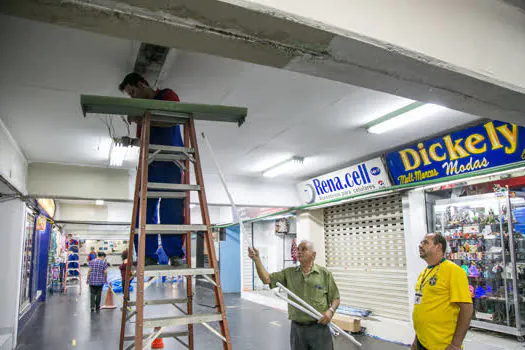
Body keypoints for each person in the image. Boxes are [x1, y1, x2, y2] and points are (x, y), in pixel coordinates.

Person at [119, 73, 185, 267]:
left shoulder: (167, 95)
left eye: (132, 93)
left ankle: (174, 254)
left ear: (141, 84)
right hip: (150, 164)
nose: (132, 98)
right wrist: (132, 141)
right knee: (144, 210)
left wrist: (142, 118)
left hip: (172, 161)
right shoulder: (142, 111)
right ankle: (147, 255)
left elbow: (172, 120)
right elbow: (144, 140)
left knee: (171, 210)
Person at [248, 241, 340, 350]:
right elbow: (266, 279)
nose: (299, 252)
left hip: (319, 329)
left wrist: (330, 311)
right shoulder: (289, 273)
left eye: (304, 249)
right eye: (298, 249)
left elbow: (335, 298)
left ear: (313, 255)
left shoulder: (324, 274)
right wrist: (257, 260)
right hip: (298, 330)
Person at [412, 233, 473, 350]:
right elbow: (422, 308)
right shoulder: (423, 273)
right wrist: (416, 339)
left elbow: (467, 308)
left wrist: (455, 344)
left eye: (425, 242)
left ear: (438, 247)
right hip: (422, 342)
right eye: (421, 242)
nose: (420, 245)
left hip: (442, 345)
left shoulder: (453, 271)